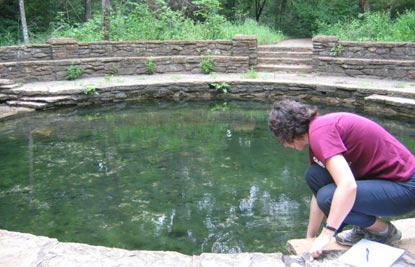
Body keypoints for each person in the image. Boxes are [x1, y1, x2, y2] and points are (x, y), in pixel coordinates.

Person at [268, 99, 415, 259]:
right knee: (315, 175)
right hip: (389, 184)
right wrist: (310, 237)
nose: (283, 145)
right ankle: (364, 226)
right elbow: (317, 195)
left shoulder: (321, 134)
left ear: (288, 134)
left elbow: (347, 185)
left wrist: (326, 234)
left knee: (328, 197)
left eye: (281, 139)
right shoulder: (317, 131)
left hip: (406, 188)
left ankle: (384, 231)